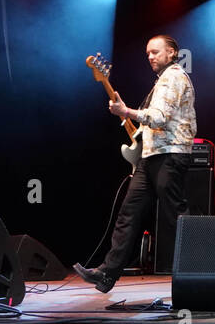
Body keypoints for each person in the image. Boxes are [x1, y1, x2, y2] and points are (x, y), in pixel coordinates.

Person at [74, 35, 197, 291]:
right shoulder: (160, 82)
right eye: (148, 53)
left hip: (170, 155)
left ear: (172, 53)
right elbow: (149, 124)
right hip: (150, 156)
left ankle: (196, 273)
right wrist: (131, 121)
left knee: (175, 215)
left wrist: (126, 111)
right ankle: (107, 273)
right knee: (128, 213)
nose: (150, 57)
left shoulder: (173, 76)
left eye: (155, 52)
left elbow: (160, 117)